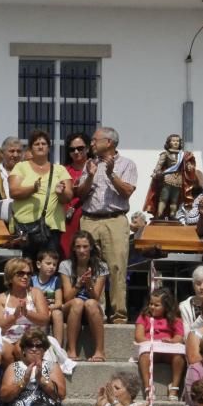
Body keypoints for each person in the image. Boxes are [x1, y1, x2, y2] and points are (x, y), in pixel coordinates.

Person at [75, 126, 137, 323]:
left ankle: (119, 314)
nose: (91, 143)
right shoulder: (89, 164)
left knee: (117, 266)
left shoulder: (127, 164)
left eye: (95, 140)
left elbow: (127, 191)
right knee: (90, 266)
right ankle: (96, 312)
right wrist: (91, 176)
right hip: (90, 219)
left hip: (115, 219)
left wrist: (111, 174)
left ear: (109, 142)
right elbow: (81, 195)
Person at [8, 129, 73, 258]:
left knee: (48, 267)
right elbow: (13, 191)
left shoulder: (60, 169)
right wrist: (32, 189)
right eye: (36, 144)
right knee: (24, 268)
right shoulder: (21, 167)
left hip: (51, 229)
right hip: (24, 229)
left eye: (43, 143)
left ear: (49, 148)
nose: (40, 146)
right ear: (31, 148)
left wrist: (61, 193)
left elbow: (69, 196)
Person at [59, 230, 108, 361]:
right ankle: (71, 350)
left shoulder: (101, 267)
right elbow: (67, 298)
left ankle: (99, 351)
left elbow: (96, 297)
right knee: (77, 302)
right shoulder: (65, 265)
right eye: (78, 246)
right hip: (72, 307)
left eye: (85, 246)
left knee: (90, 303)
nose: (81, 250)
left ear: (91, 247)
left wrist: (89, 284)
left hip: (91, 308)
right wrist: (79, 283)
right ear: (73, 248)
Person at [0, 258, 50, 367]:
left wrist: (27, 313)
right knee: (6, 353)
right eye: (20, 273)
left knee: (20, 348)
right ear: (10, 276)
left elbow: (45, 319)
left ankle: (30, 379)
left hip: (33, 334)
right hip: (7, 337)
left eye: (28, 274)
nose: (25, 276)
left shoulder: (36, 293)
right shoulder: (0, 298)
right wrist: (14, 316)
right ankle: (17, 379)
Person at [135, 287, 186, 401]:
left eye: (156, 305)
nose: (152, 307)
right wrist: (152, 342)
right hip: (151, 349)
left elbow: (179, 337)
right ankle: (148, 387)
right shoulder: (144, 317)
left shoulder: (175, 319)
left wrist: (172, 341)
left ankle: (174, 387)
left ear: (166, 306)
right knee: (144, 356)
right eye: (151, 304)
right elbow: (138, 337)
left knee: (179, 357)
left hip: (168, 351)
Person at [59, 133, 89, 259]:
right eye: (72, 149)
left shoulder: (95, 168)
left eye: (80, 148)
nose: (76, 152)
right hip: (67, 220)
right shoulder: (63, 170)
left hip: (89, 218)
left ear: (87, 148)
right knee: (67, 254)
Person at [33, 249, 64, 347]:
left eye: (54, 265)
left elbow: (59, 303)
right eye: (48, 263)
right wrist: (44, 310)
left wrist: (50, 308)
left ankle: (58, 347)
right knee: (42, 314)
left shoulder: (56, 280)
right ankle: (40, 345)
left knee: (58, 313)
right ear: (38, 264)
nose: (52, 267)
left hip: (52, 309)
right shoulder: (32, 280)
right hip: (38, 310)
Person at [181, 265, 203, 334]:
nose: (202, 287)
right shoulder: (184, 306)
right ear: (193, 285)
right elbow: (187, 335)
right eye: (198, 283)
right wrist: (202, 318)